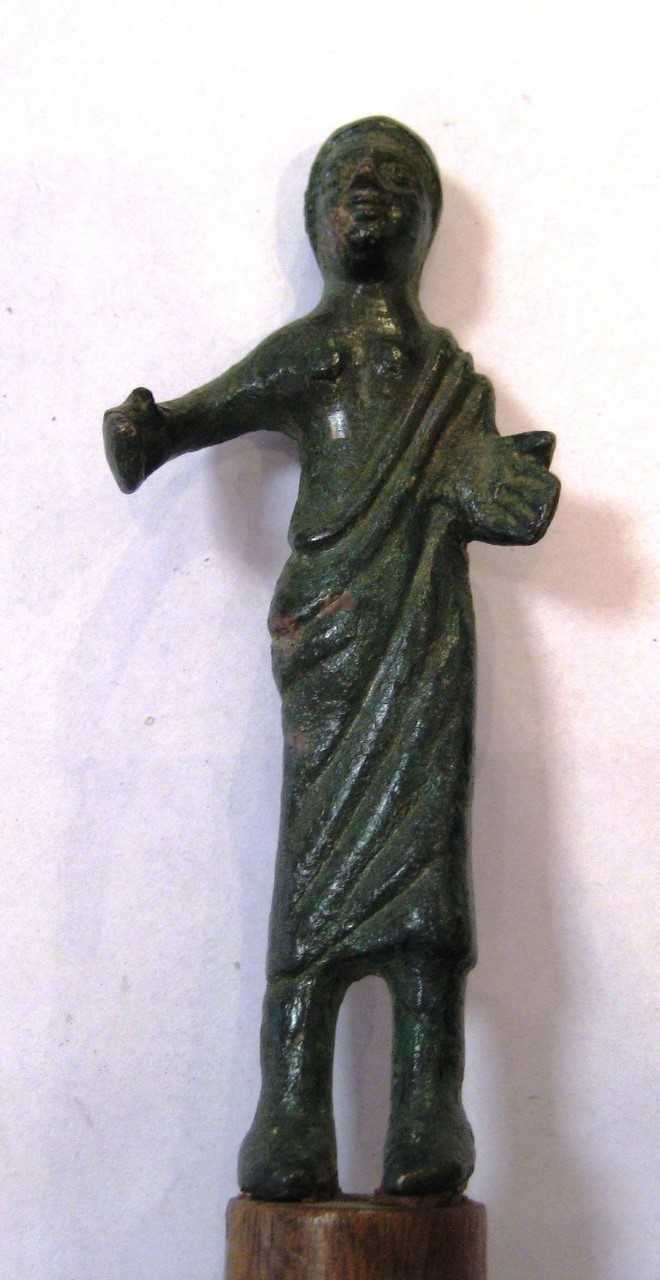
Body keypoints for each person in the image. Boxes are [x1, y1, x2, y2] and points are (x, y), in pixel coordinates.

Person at [104, 116, 560, 1201]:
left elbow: (478, 485)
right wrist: (153, 430)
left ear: (427, 226)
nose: (369, 188)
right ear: (315, 221)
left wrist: (508, 484)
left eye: (395, 178)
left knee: (428, 866)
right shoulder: (313, 349)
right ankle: (292, 1109)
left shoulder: (453, 375)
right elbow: (208, 411)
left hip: (426, 638)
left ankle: (427, 1108)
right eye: (346, 178)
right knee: (311, 872)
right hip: (335, 638)